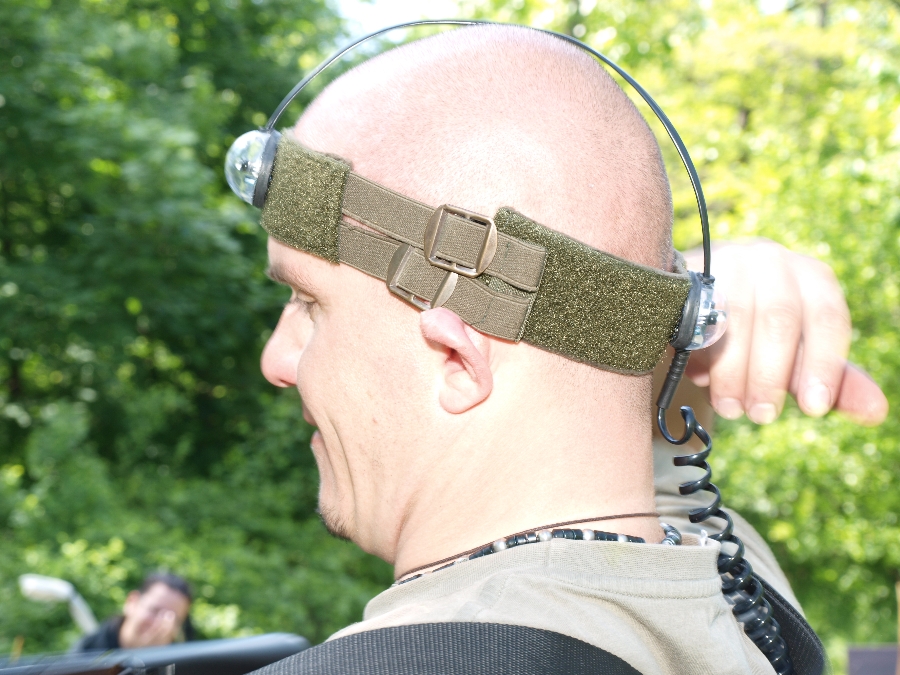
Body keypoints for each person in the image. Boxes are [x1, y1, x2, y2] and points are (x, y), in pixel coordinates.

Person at [255, 25, 888, 673]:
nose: (276, 360)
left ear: (457, 359)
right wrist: (682, 313)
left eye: (308, 302)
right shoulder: (738, 596)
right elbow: (623, 448)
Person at [73, 572, 194, 652]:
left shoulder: (181, 664)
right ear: (132, 602)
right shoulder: (86, 654)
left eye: (174, 619)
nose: (162, 625)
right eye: (154, 610)